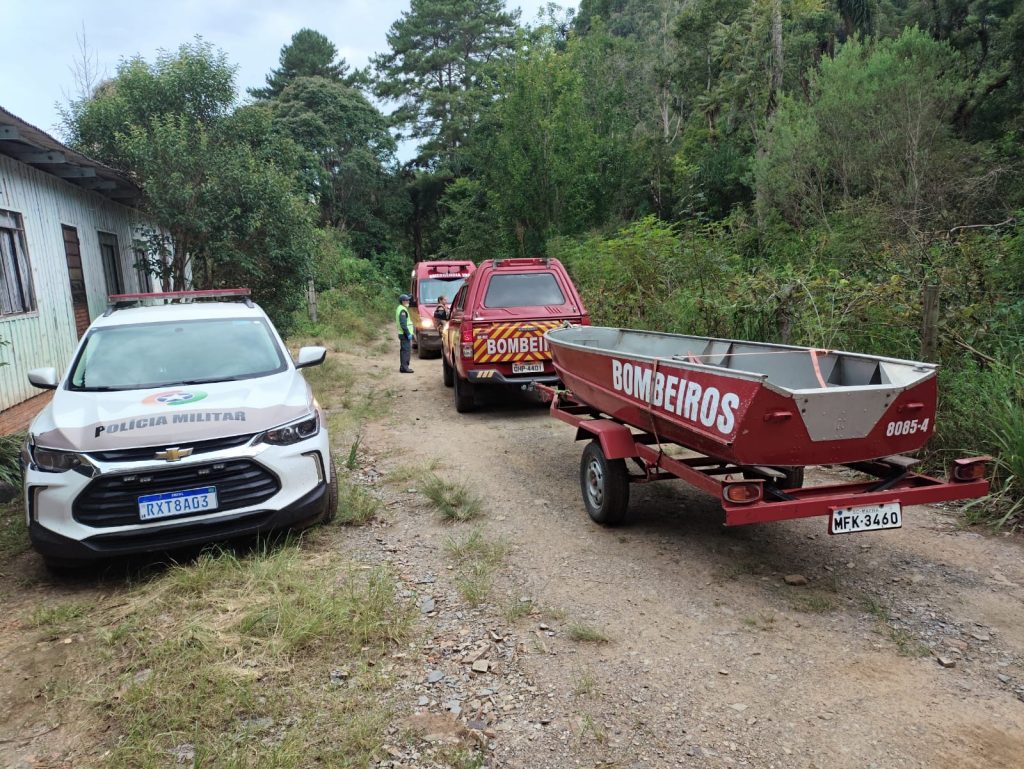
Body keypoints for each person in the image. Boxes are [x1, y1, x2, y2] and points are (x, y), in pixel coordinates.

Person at [396, 293, 414, 373]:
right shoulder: (402, 310)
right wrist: (408, 333)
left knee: (404, 351)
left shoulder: (401, 308)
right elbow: (403, 324)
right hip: (405, 334)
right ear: (403, 301)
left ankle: (403, 367)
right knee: (406, 351)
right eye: (407, 300)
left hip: (403, 334)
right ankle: (405, 368)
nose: (408, 301)